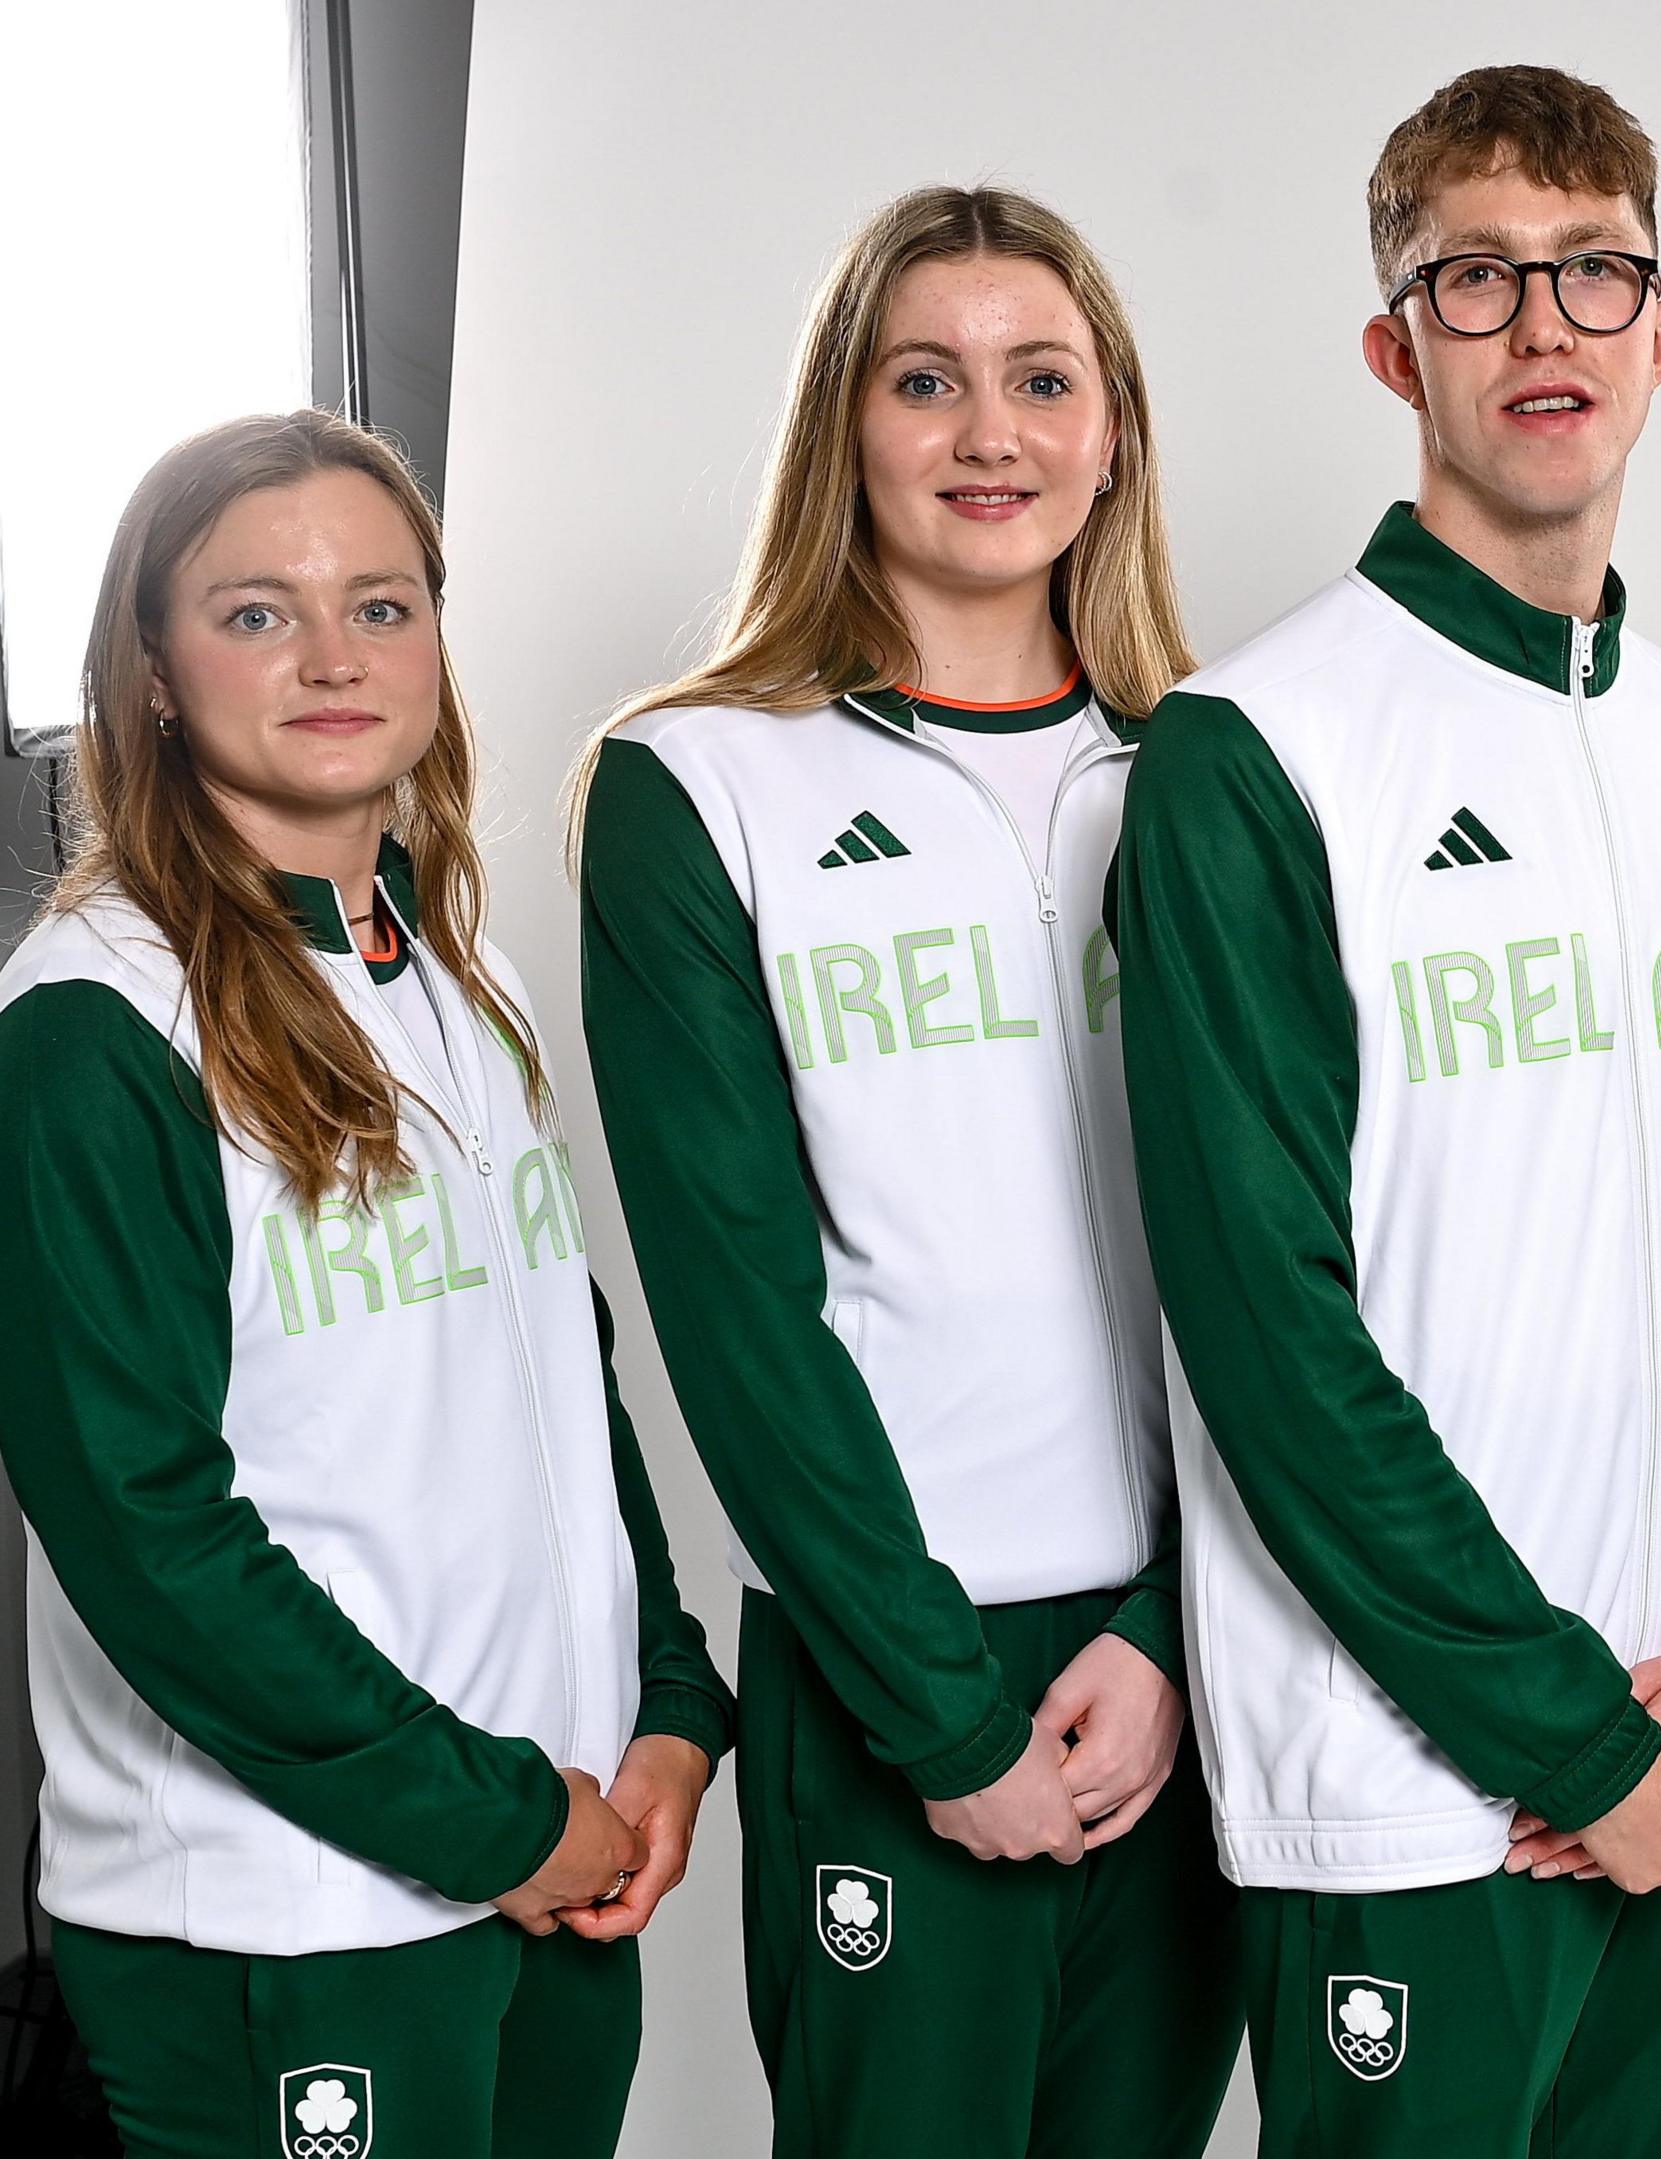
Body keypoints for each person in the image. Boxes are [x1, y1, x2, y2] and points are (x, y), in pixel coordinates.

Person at [1106, 66, 1661, 2156]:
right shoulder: (1255, 753)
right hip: (1409, 1785)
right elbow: (1267, 1324)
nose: (1546, 326)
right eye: (1479, 279)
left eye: (1596, 273)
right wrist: (1563, 1731)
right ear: (1395, 344)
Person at [572, 187, 1237, 2156]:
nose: (989, 435)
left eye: (1044, 380)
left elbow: (1308, 1267)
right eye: (925, 381)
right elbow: (733, 1304)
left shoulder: (1215, 780)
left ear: (1113, 428)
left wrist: (1181, 1626)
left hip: (1187, 1659)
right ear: (841, 428)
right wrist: (937, 1712)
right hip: (889, 1667)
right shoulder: (696, 785)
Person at [0, 410, 729, 2154]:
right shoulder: (93, 1029)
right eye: (256, 612)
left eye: (382, 606)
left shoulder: (456, 975)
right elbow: (150, 1538)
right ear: (154, 671)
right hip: (295, 1922)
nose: (333, 655)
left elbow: (562, 1375)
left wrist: (671, 1706)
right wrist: (488, 1815)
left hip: (552, 1866)